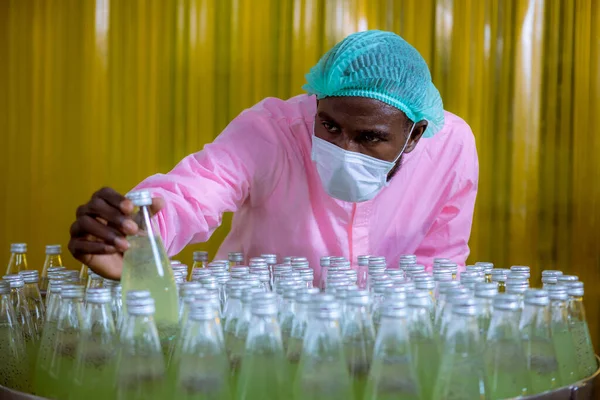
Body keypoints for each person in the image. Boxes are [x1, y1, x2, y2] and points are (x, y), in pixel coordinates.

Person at [68, 30, 478, 282]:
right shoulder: (272, 130)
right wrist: (137, 234)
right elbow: (197, 191)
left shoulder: (451, 148)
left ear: (414, 135)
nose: (343, 148)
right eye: (330, 126)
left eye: (370, 137)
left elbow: (439, 264)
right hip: (254, 340)